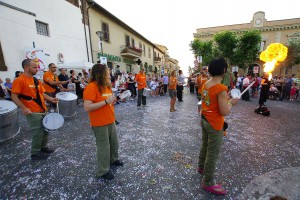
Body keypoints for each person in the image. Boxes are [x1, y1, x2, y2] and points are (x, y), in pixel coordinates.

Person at [197, 57, 239, 195]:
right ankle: (208, 181)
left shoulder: (206, 84)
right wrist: (231, 102)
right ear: (224, 71)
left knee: (205, 145)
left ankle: (201, 167)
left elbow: (208, 101)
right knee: (212, 152)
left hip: (204, 119)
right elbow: (224, 111)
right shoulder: (221, 88)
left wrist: (225, 99)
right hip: (215, 124)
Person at [11, 59, 59, 160]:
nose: (37, 69)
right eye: (34, 67)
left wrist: (51, 99)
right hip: (32, 111)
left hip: (42, 109)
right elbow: (14, 96)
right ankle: (35, 153)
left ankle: (43, 148)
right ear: (26, 67)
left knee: (46, 130)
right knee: (38, 132)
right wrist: (23, 108)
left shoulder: (36, 80)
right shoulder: (20, 80)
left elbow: (41, 93)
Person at [83, 63, 123, 180]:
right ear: (101, 73)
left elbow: (108, 101)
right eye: (107, 72)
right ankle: (103, 171)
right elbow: (87, 107)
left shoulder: (106, 85)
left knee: (114, 143)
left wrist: (114, 100)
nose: (109, 74)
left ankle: (113, 160)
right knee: (103, 147)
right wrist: (106, 101)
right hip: (99, 123)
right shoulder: (91, 87)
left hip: (110, 119)